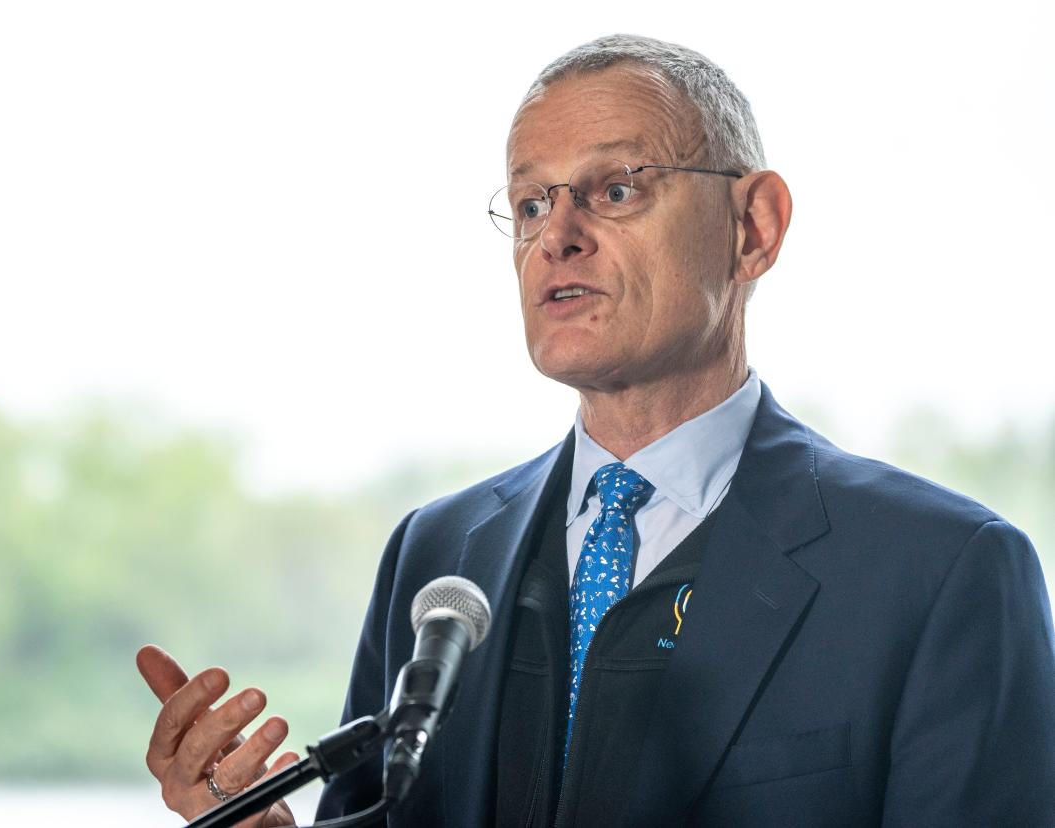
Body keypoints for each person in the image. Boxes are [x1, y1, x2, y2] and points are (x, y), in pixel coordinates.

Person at [137, 34, 1055, 826]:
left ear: (754, 228)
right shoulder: (437, 558)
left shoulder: (943, 572)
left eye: (615, 189)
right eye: (530, 203)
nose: (557, 237)